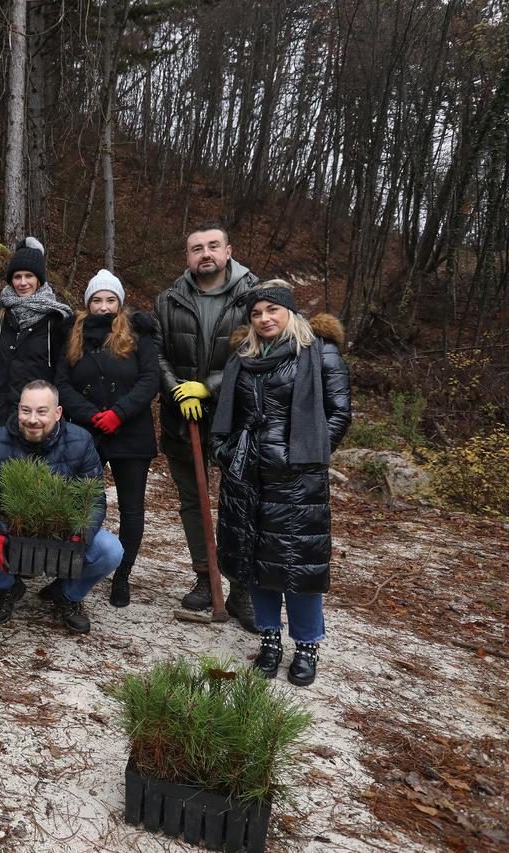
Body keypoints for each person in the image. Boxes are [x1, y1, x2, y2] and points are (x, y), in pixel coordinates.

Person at [211, 283, 350, 686]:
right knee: (256, 561)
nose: (264, 318)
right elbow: (230, 415)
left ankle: (307, 647)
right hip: (247, 476)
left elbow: (339, 414)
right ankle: (270, 641)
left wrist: (305, 458)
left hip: (297, 482)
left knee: (300, 565)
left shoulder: (320, 352)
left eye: (273, 310)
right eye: (256, 313)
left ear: (289, 312)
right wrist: (226, 451)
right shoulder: (245, 355)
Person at [154, 221, 259, 628]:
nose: (205, 254)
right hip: (184, 418)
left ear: (228, 251)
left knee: (241, 506)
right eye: (196, 248)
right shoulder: (169, 299)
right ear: (188, 257)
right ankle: (205, 577)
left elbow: (258, 350)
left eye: (213, 246)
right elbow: (157, 352)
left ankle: (240, 589)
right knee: (193, 502)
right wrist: (178, 390)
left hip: (239, 418)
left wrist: (209, 387)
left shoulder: (254, 296)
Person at [0, 381, 123, 634]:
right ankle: (7, 586)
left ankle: (67, 593)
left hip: (64, 530)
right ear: (18, 410)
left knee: (110, 550)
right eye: (26, 410)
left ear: (57, 413)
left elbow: (94, 501)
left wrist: (82, 535)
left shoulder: (81, 441)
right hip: (10, 528)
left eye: (42, 412)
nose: (32, 419)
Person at [55, 269, 160, 608]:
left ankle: (122, 575)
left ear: (120, 302)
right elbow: (62, 382)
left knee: (132, 508)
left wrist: (119, 413)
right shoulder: (74, 335)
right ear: (88, 304)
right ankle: (70, 568)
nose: (103, 306)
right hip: (88, 432)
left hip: (130, 431)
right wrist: (89, 415)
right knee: (79, 503)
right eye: (96, 300)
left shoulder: (138, 334)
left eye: (110, 299)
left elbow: (150, 379)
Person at [0, 237, 73, 434]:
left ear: (39, 279)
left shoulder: (56, 319)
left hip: (39, 416)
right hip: (0, 411)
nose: (23, 283)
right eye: (17, 276)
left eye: (29, 276)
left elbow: (65, 369)